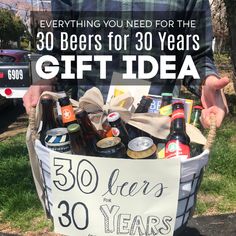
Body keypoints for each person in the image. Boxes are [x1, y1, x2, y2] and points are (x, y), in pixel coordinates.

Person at [23, 0, 229, 128]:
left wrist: (207, 80)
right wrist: (46, 78)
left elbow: (197, 55)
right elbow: (61, 48)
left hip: (160, 130)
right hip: (88, 129)